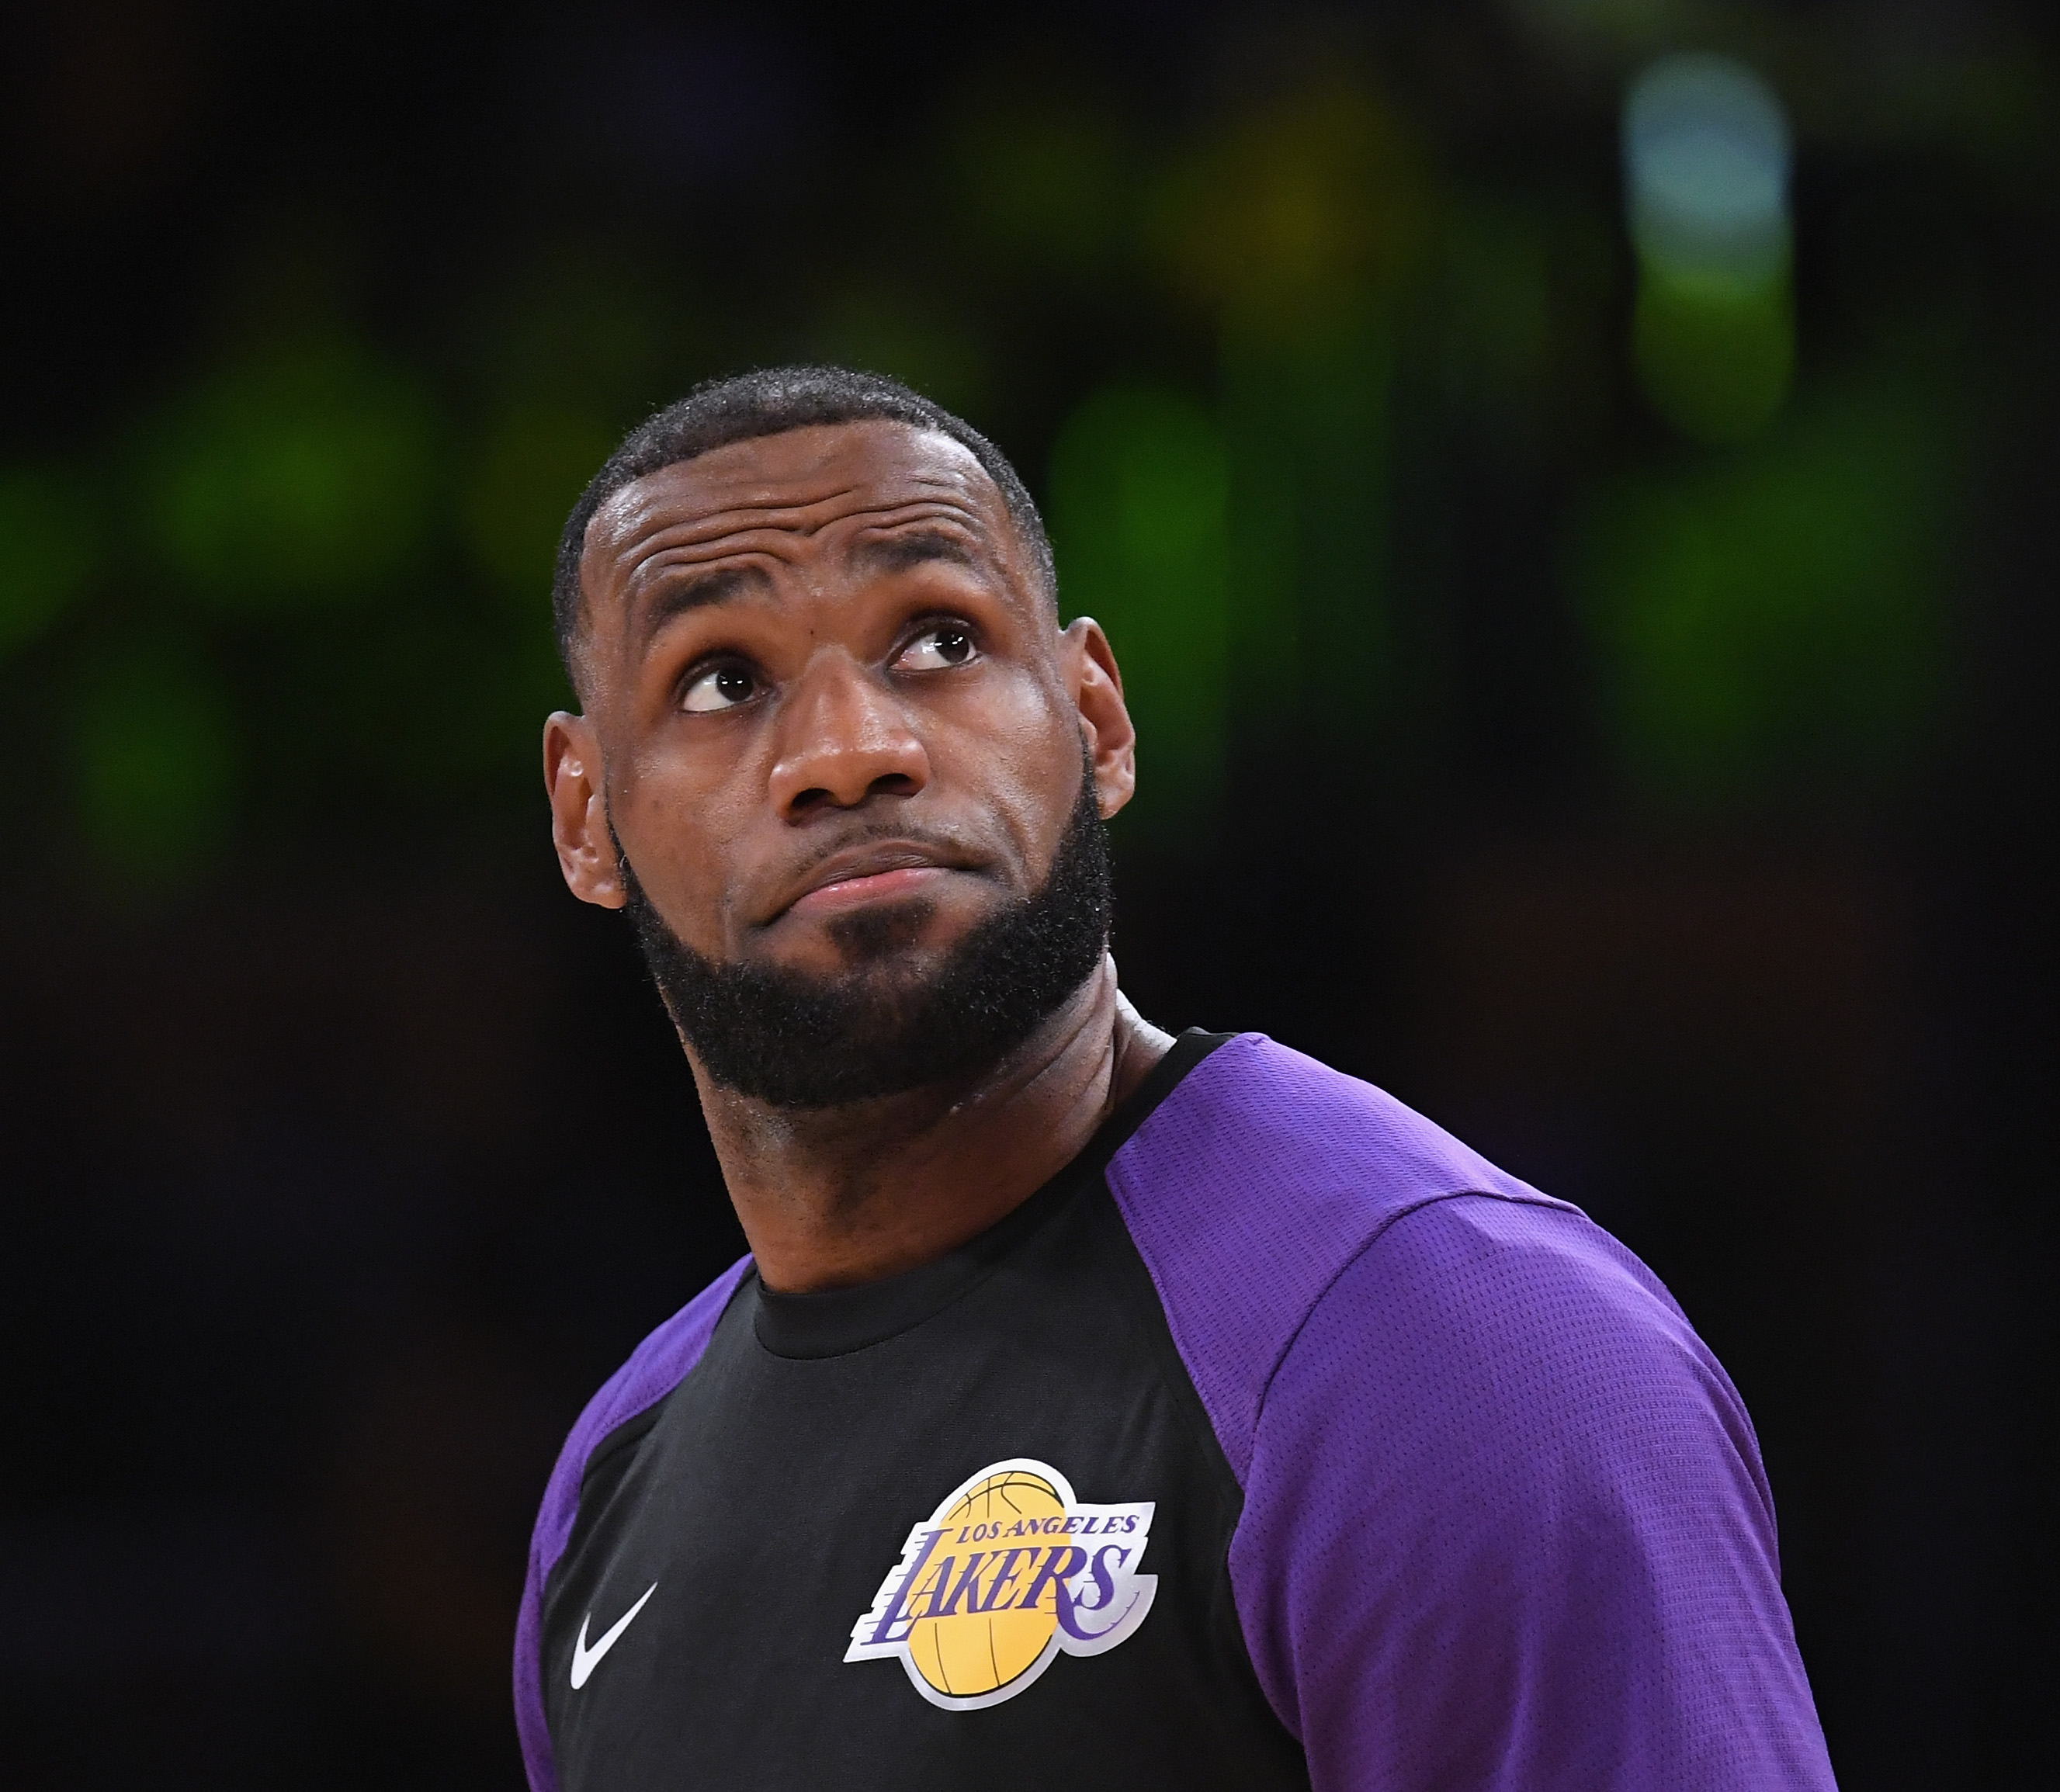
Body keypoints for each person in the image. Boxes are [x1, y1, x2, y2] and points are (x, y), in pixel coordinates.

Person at [517, 365, 1836, 1792]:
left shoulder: (1448, 1344)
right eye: (723, 678)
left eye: (938, 640)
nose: (850, 750)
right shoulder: (613, 1477)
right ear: (588, 816)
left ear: (1096, 718)